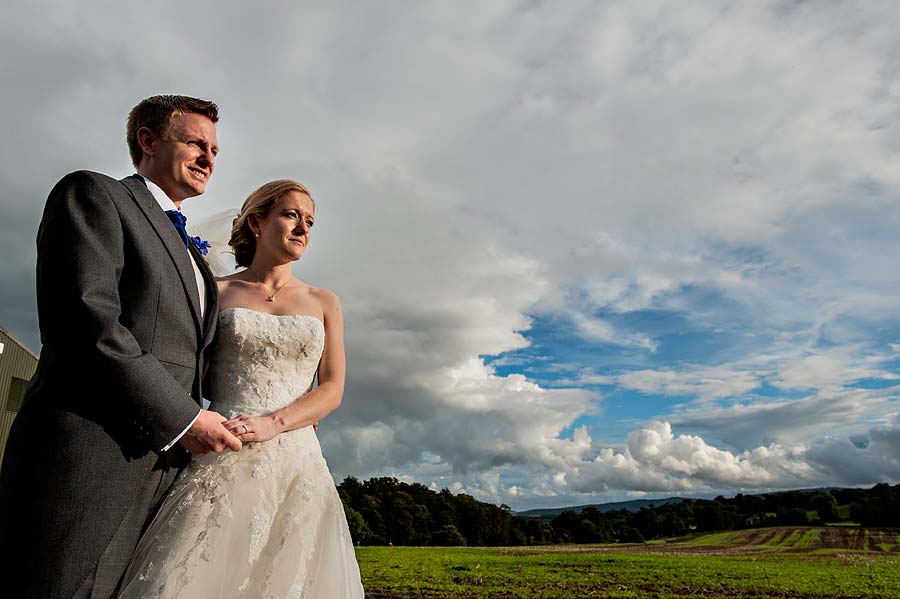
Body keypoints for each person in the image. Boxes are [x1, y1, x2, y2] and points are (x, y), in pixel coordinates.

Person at [0, 95, 242, 598]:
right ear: (148, 140)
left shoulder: (196, 255)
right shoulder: (94, 195)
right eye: (196, 143)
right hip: (93, 457)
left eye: (215, 151)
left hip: (165, 466)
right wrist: (186, 418)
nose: (208, 159)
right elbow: (86, 322)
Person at [118, 180, 364, 598]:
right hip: (223, 447)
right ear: (256, 221)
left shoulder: (325, 301)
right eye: (291, 215)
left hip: (297, 461)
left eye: (310, 221)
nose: (303, 228)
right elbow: (192, 373)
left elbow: (333, 388)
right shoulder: (215, 292)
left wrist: (277, 422)